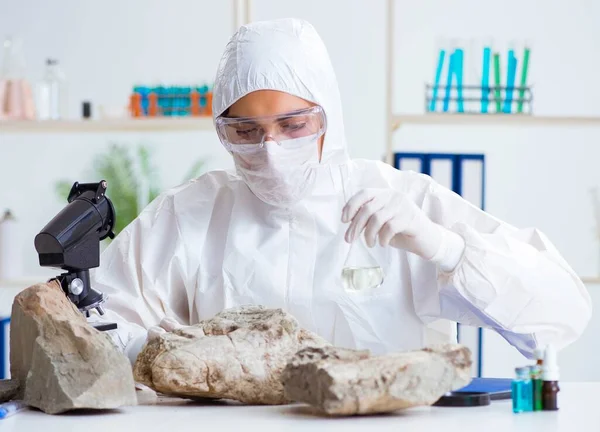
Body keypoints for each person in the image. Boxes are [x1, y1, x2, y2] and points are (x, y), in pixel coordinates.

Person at [92, 18, 591, 365]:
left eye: (293, 124)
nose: (270, 149)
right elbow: (100, 319)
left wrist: (446, 248)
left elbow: (561, 316)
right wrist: (157, 356)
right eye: (246, 132)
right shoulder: (191, 213)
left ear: (327, 115)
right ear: (222, 131)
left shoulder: (403, 204)